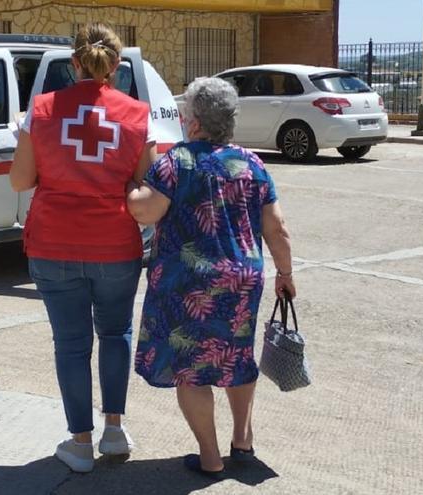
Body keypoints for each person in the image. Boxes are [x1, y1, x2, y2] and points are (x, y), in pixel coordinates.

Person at [127, 77, 296, 478]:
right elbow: (277, 228)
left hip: (189, 284)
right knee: (236, 357)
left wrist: (132, 190)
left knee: (191, 367)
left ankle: (210, 457)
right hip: (242, 279)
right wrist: (286, 273)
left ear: (196, 121)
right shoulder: (251, 164)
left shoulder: (176, 162)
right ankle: (243, 440)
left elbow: (145, 212)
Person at [10, 23, 157, 473]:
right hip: (115, 244)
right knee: (115, 335)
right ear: (117, 65)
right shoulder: (136, 114)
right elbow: (146, 185)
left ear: (73, 62)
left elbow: (20, 180)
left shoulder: (42, 109)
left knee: (71, 345)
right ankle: (113, 430)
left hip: (53, 244)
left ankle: (79, 444)